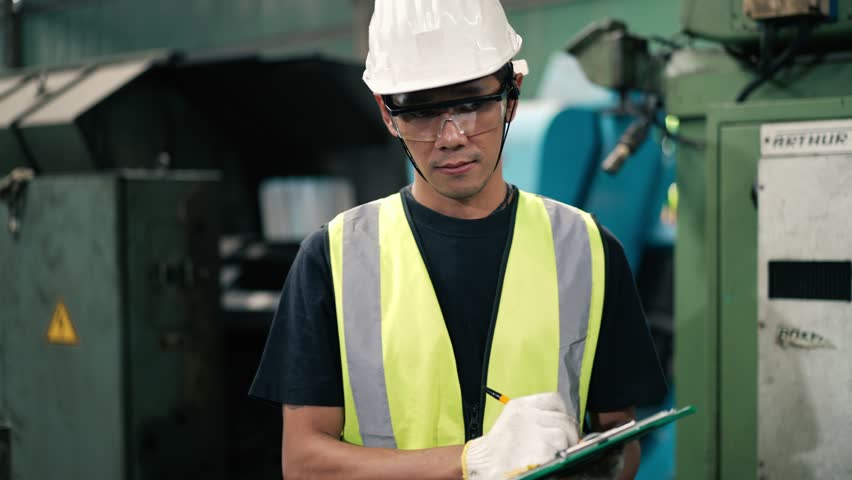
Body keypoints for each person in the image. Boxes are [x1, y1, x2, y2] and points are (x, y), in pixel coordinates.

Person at [250, 0, 667, 478]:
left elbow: (620, 440)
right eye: (423, 111)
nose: (451, 136)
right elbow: (304, 463)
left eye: (471, 104)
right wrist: (471, 461)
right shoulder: (334, 258)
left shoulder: (588, 250)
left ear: (512, 96)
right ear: (388, 114)